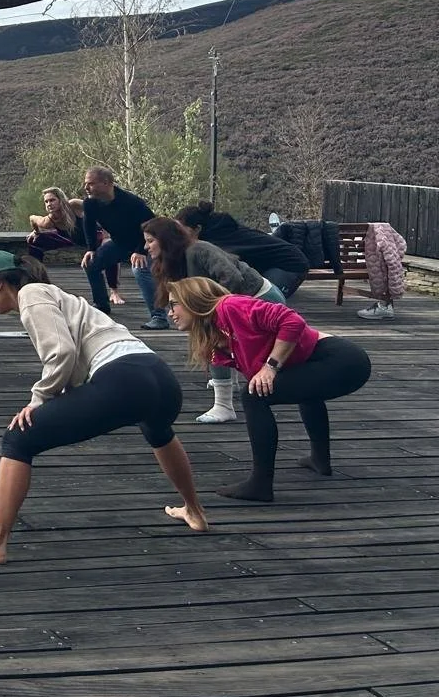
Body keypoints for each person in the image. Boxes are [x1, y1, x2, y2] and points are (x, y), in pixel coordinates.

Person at [0, 252, 207, 564]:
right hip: (160, 378)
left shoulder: (30, 294)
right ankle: (194, 510)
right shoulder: (58, 295)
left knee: (18, 437)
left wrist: (38, 399)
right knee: (157, 429)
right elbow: (73, 359)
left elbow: (61, 352)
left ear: (0, 283)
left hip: (123, 379)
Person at [168, 277, 372, 503]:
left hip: (342, 359)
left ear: (193, 300)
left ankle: (260, 484)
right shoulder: (217, 332)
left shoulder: (229, 306)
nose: (170, 313)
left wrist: (270, 366)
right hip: (329, 361)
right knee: (302, 390)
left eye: (174, 304)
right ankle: (319, 459)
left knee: (253, 396)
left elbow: (292, 321)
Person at [143, 217, 285, 425]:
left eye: (150, 241)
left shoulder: (199, 250)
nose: (145, 247)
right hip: (233, 300)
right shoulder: (172, 261)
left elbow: (232, 278)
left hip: (260, 297)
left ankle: (224, 405)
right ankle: (229, 382)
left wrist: (214, 311)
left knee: (211, 335)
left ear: (166, 240)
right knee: (210, 330)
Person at [80, 166, 164, 328]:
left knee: (140, 269)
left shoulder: (132, 202)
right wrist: (91, 249)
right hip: (120, 243)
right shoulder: (90, 203)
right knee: (91, 263)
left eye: (90, 183)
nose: (86, 187)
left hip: (145, 245)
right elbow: (88, 226)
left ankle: (159, 317)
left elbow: (153, 227)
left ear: (106, 183)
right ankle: (101, 305)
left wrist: (141, 250)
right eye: (86, 183)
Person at [176, 202, 309, 299]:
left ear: (197, 229)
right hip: (267, 264)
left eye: (181, 231)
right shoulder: (217, 231)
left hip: (291, 264)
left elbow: (231, 274)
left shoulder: (219, 240)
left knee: (265, 302)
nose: (177, 235)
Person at [26, 186, 124, 304]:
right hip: (73, 240)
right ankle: (37, 281)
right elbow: (32, 218)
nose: (49, 204)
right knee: (35, 241)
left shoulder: (73, 205)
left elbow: (99, 210)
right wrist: (36, 232)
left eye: (52, 200)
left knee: (108, 249)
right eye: (46, 201)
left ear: (60, 199)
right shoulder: (48, 221)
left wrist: (107, 235)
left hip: (96, 236)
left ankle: (114, 291)